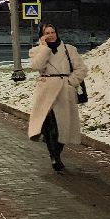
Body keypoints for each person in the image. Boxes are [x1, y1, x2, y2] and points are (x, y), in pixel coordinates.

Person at [26, 22, 88, 172]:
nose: (51, 35)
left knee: (62, 126)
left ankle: (57, 152)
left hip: (64, 91)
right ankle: (54, 156)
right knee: (50, 125)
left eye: (52, 32)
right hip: (46, 91)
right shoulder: (36, 51)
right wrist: (44, 49)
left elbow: (81, 69)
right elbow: (36, 66)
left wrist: (70, 82)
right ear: (42, 36)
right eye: (47, 33)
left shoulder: (69, 49)